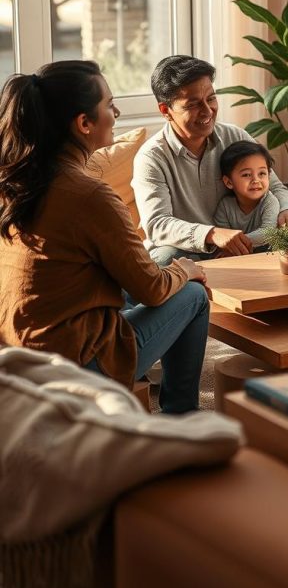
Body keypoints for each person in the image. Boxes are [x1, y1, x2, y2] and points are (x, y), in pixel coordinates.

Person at [0, 61, 209, 414]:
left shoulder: (16, 180)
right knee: (193, 294)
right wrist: (186, 270)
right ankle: (181, 420)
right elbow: (152, 289)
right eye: (109, 105)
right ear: (84, 123)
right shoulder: (88, 195)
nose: (117, 111)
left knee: (155, 268)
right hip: (73, 365)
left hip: (19, 354)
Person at [132, 55, 288, 265]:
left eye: (211, 99)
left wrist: (287, 209)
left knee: (287, 243)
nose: (208, 111)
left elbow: (274, 186)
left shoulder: (235, 137)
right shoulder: (151, 158)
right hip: (186, 252)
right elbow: (157, 225)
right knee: (166, 258)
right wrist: (211, 234)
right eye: (193, 104)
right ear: (166, 111)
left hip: (242, 246)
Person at [215, 140, 280, 247]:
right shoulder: (225, 206)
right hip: (235, 258)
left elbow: (268, 233)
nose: (256, 180)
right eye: (246, 175)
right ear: (229, 182)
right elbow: (223, 237)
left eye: (262, 173)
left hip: (266, 258)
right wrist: (228, 246)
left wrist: (234, 243)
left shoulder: (270, 202)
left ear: (269, 176)